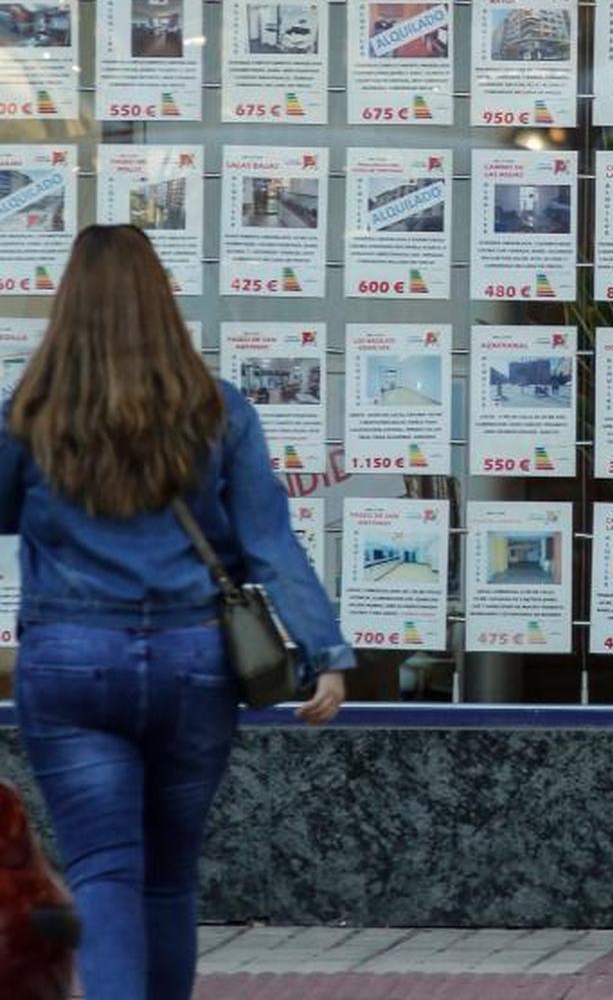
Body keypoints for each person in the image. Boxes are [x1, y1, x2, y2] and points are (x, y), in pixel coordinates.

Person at [0, 224, 355, 999]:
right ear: (162, 302)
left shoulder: (29, 412)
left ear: (70, 308)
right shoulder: (216, 410)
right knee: (167, 874)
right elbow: (268, 543)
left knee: (102, 867)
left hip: (69, 657)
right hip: (194, 664)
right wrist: (324, 649)